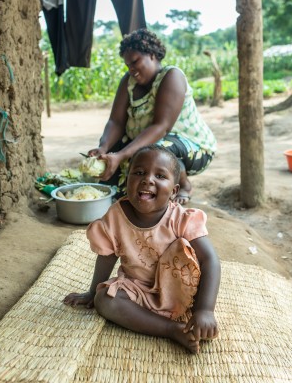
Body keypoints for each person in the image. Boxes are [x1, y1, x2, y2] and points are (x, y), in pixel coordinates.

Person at [64, 145, 221, 354]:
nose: (148, 179)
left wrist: (205, 310)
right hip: (137, 290)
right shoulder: (115, 217)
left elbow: (210, 260)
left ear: (174, 191)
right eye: (139, 173)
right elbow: (106, 257)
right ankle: (171, 329)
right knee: (104, 300)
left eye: (160, 175)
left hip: (183, 293)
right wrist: (92, 292)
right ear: (126, 181)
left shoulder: (181, 219)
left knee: (200, 293)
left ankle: (182, 318)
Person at [88, 28, 217, 205]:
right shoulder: (129, 82)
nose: (131, 69)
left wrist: (122, 155)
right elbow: (116, 121)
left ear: (152, 55)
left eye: (135, 62)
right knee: (114, 191)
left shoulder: (172, 76)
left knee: (157, 150)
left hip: (193, 148)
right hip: (148, 146)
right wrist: (103, 148)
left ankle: (184, 184)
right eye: (128, 65)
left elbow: (161, 127)